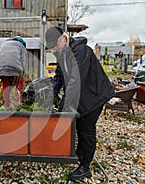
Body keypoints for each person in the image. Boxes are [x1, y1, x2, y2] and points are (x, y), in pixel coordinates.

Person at [45, 26, 115, 181]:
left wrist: (63, 106)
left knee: (87, 129)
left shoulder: (81, 51)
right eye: (52, 47)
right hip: (82, 96)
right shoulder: (61, 53)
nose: (55, 48)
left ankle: (85, 167)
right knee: (79, 126)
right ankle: (80, 153)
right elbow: (58, 79)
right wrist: (50, 99)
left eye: (56, 44)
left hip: (94, 94)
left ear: (64, 37)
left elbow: (75, 81)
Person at [0, 36, 28, 111]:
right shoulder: (21, 46)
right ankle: (18, 105)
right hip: (15, 67)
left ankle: (6, 106)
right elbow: (24, 61)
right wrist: (22, 72)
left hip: (1, 68)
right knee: (19, 87)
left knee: (6, 86)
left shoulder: (4, 44)